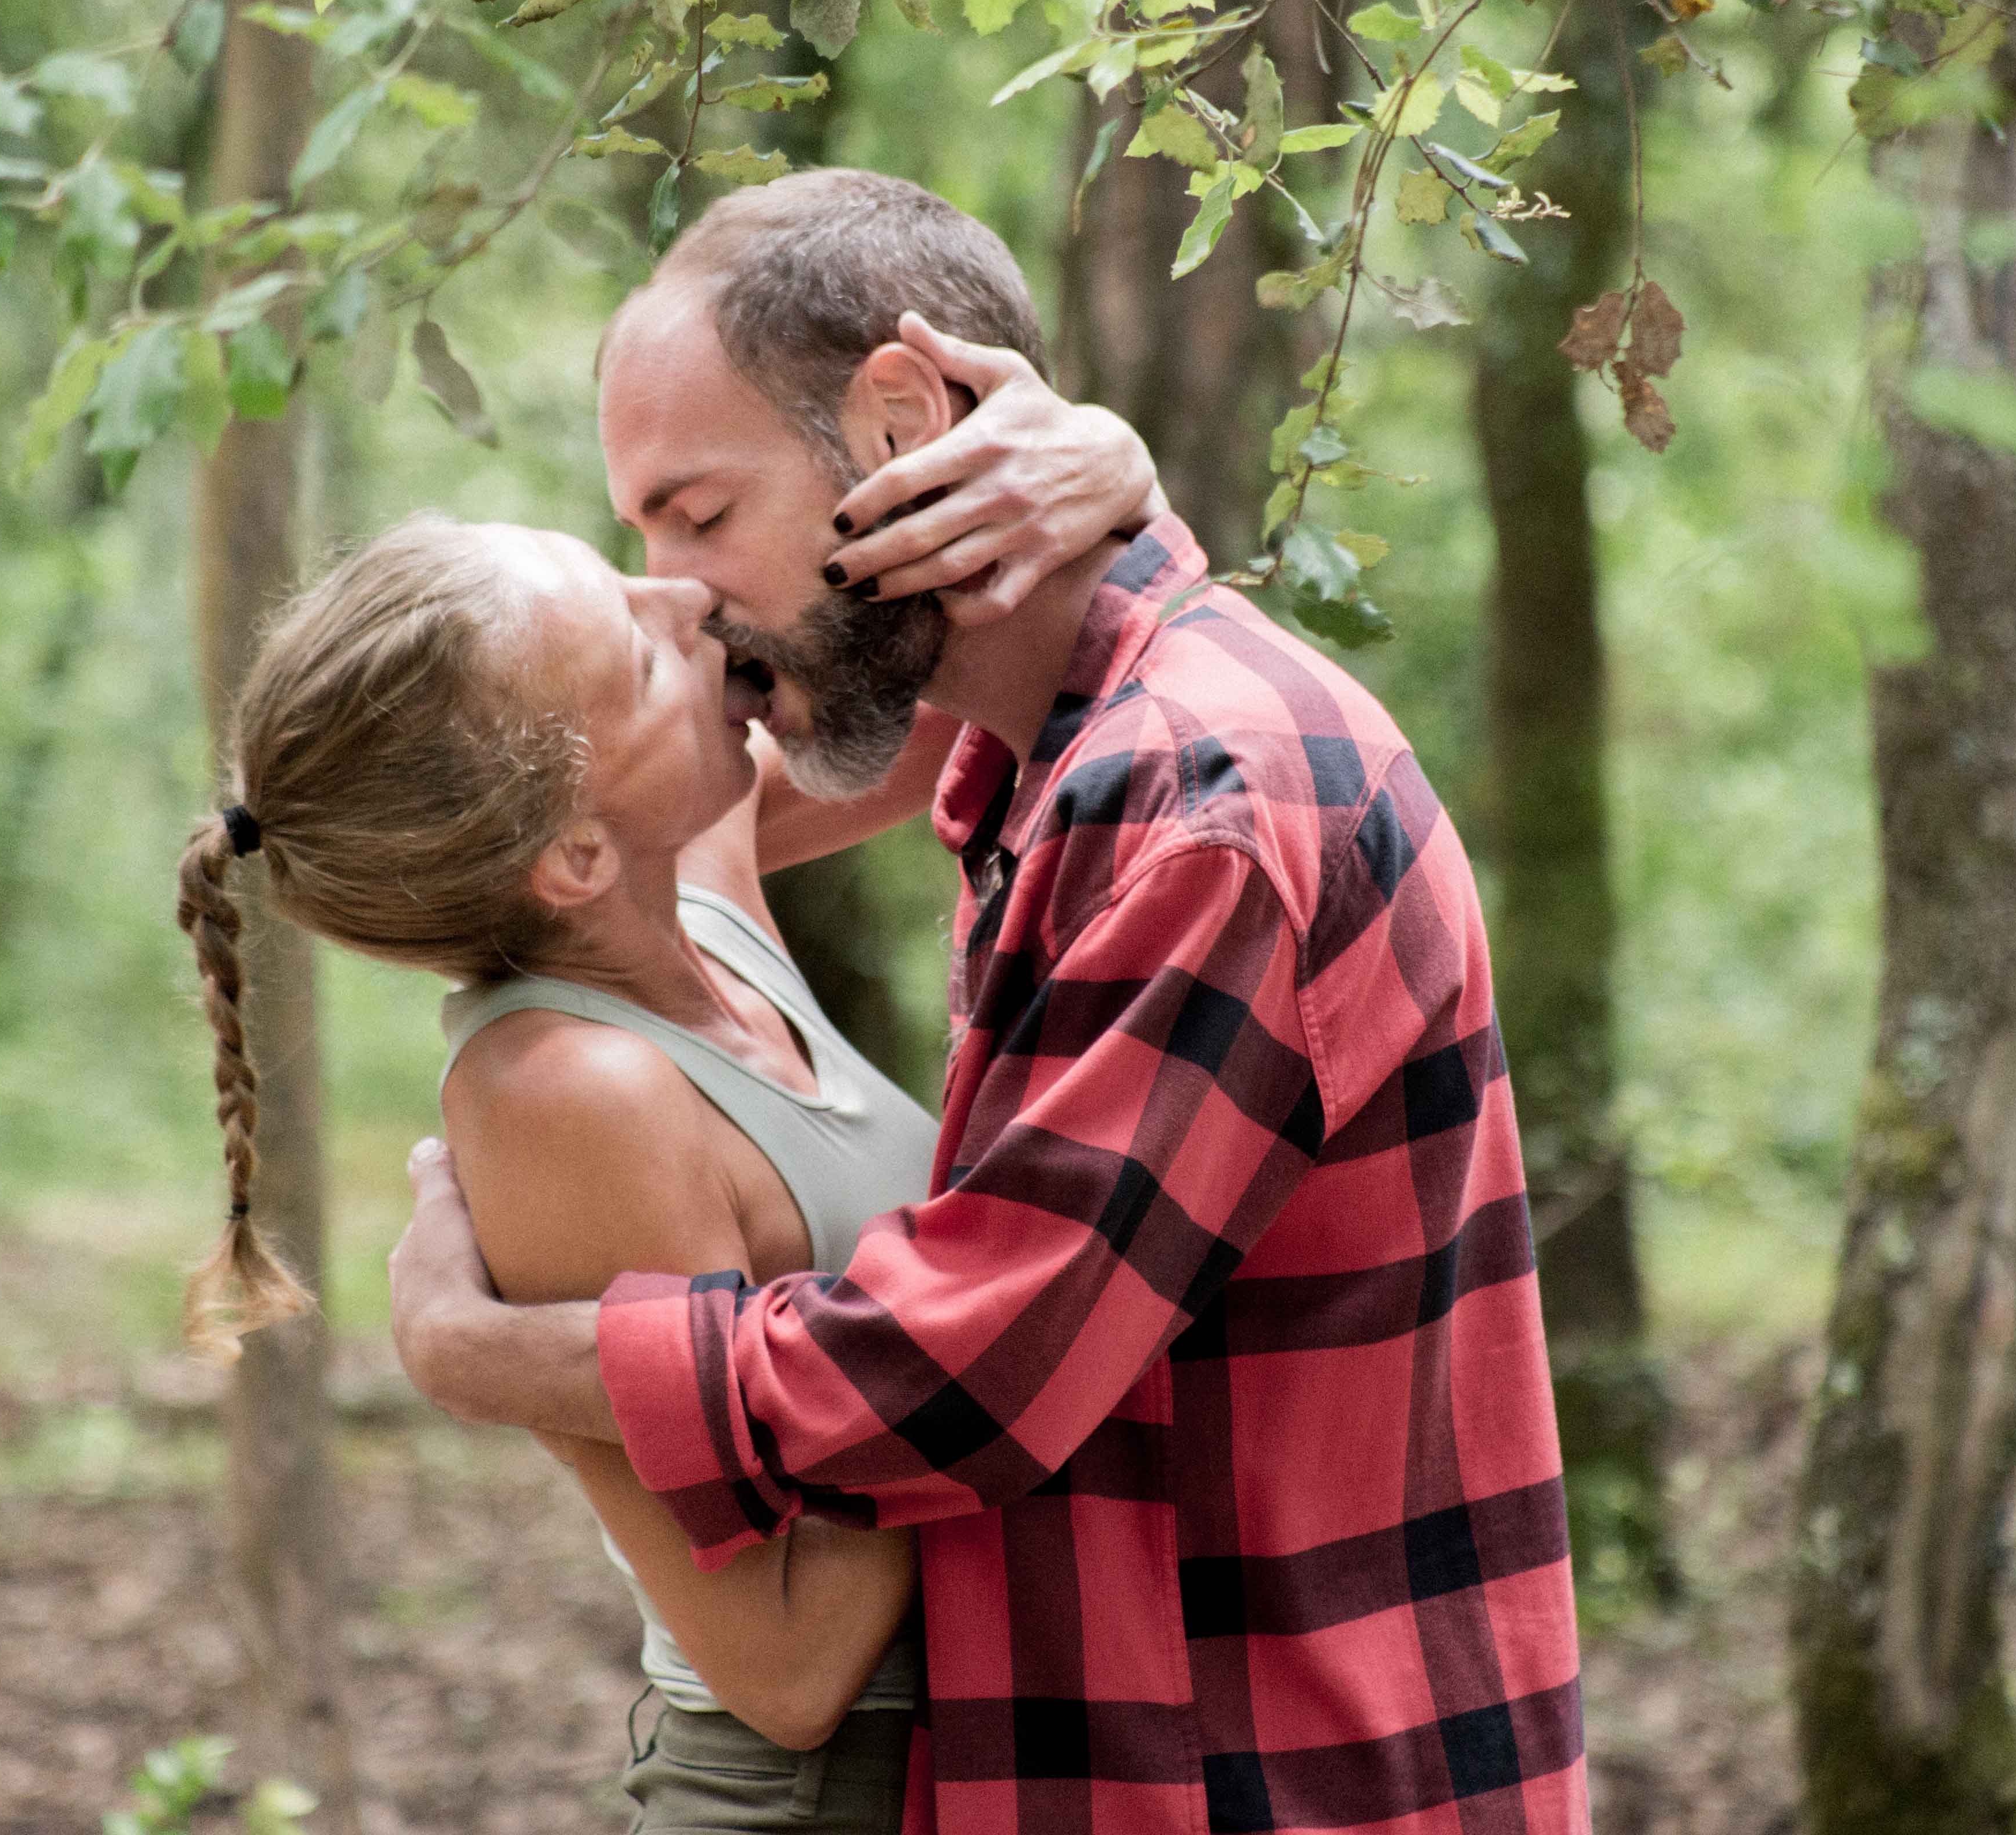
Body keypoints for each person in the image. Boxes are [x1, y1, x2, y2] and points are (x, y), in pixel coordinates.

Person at [385, 169, 1591, 1835]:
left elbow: (969, 1377)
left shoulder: (1203, 807)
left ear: (900, 418)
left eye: (701, 515)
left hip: (1283, 1776)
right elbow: (597, 834)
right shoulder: (1067, 756)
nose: (674, 591)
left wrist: (492, 1357)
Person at [171, 384, 1162, 1828]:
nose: (686, 600)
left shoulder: (695, 880)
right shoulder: (569, 1090)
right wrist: (973, 1311)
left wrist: (1108, 467)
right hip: (827, 1794)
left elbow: (1016, 698)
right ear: (572, 854)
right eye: (635, 651)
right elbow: (790, 1661)